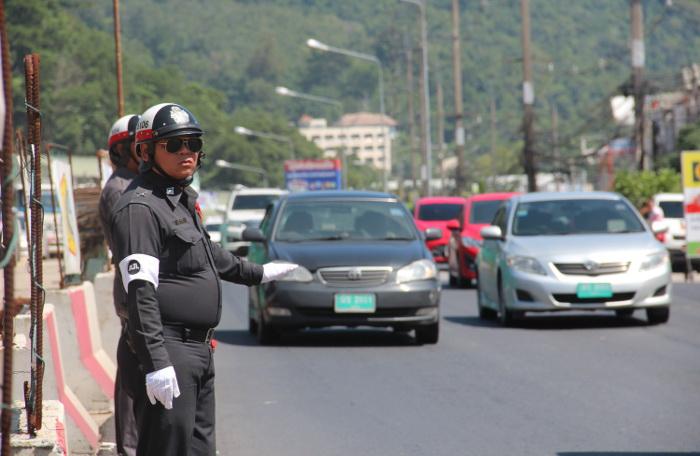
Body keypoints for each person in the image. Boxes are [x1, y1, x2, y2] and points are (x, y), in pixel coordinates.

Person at [110, 102, 297, 455]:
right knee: (167, 448)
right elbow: (140, 291)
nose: (186, 152)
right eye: (174, 144)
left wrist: (258, 273)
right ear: (146, 150)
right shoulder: (141, 208)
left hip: (197, 351)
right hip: (168, 350)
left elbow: (208, 254)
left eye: (193, 144)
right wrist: (156, 362)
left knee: (198, 450)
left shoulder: (179, 201)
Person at [98, 114, 142, 456]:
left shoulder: (136, 183)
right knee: (133, 373)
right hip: (133, 290)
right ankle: (128, 446)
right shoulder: (120, 189)